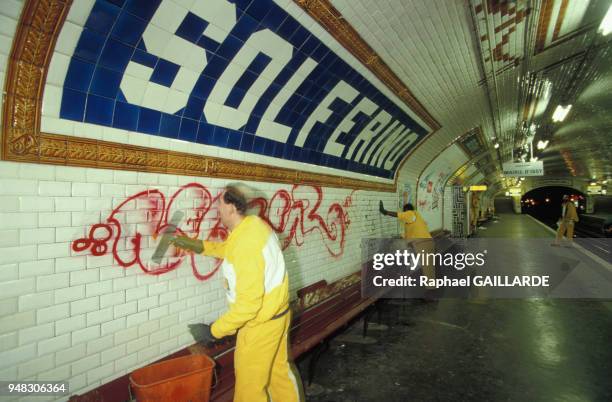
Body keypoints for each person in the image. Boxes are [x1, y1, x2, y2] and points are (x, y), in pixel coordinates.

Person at [173, 185, 303, 402]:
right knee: (278, 374)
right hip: (277, 317)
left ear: (232, 207)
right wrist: (198, 246)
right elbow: (229, 249)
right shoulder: (253, 226)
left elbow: (248, 306)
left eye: (220, 204)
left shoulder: (246, 242)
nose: (217, 209)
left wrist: (214, 331)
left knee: (249, 390)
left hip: (259, 327)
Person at [379, 201, 435, 289]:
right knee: (427, 269)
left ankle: (431, 294)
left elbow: (400, 215)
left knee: (427, 270)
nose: (404, 214)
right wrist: (397, 237)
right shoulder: (413, 221)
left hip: (423, 244)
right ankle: (428, 289)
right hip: (426, 243)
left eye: (404, 212)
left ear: (407, 210)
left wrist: (385, 212)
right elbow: (407, 236)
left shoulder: (411, 213)